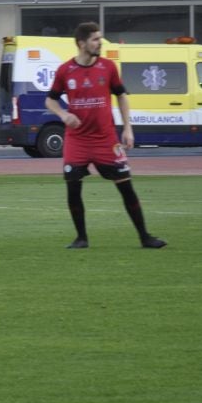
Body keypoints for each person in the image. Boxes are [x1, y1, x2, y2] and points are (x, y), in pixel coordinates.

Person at [44, 22, 167, 250]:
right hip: (77, 140)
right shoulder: (65, 71)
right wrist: (63, 114)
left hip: (106, 139)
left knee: (126, 187)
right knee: (73, 187)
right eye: (95, 39)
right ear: (82, 43)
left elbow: (121, 96)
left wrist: (128, 128)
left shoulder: (108, 67)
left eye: (100, 38)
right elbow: (50, 100)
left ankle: (145, 237)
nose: (99, 43)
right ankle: (81, 238)